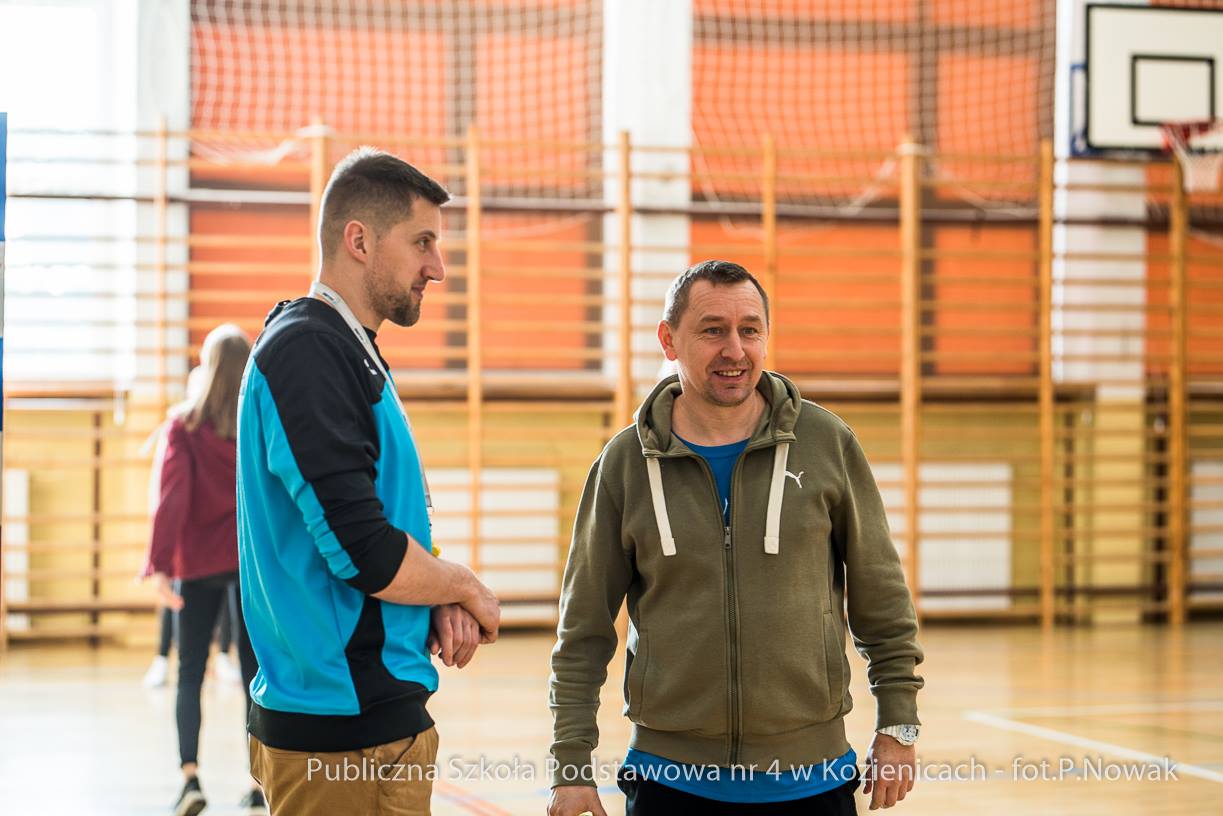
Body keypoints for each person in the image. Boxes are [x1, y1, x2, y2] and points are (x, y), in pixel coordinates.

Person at [547, 260, 925, 815]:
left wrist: (898, 724)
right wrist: (571, 765)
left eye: (750, 330)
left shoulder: (826, 443)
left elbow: (881, 596)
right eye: (713, 330)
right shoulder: (624, 464)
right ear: (669, 340)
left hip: (813, 779)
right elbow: (582, 629)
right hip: (670, 782)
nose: (735, 350)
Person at [237, 147, 501, 815]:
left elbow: (386, 517)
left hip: (366, 723)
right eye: (422, 242)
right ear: (358, 241)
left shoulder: (345, 349)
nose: (437, 267)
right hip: (342, 733)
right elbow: (361, 550)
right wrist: (463, 585)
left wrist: (433, 592)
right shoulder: (308, 351)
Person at [143, 324, 264, 816]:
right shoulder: (257, 424)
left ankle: (190, 778)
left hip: (196, 563)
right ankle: (259, 781)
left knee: (190, 671)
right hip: (249, 563)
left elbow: (171, 500)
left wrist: (158, 564)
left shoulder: (184, 427)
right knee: (257, 674)